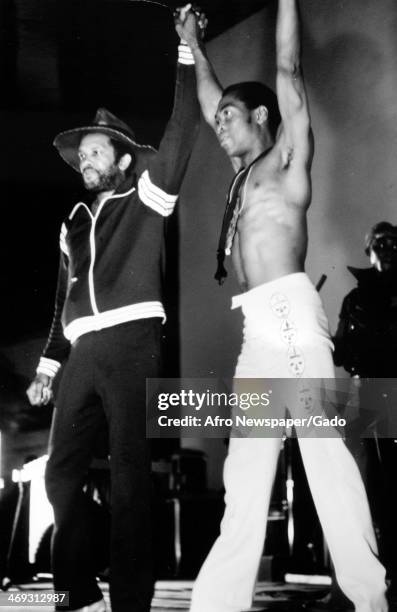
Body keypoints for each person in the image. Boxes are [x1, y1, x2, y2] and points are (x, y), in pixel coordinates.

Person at [174, 2, 388, 611]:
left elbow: (289, 69)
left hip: (292, 318)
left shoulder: (287, 158)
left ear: (262, 116)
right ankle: (217, 604)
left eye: (230, 119)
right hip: (258, 330)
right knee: (245, 472)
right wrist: (194, 41)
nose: (219, 127)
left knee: (323, 457)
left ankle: (370, 598)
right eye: (217, 121)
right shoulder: (242, 175)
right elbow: (214, 93)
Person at [26, 7, 201, 612]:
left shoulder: (147, 196)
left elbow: (182, 127)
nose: (86, 162)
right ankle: (74, 587)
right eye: (82, 158)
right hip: (81, 353)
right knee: (58, 472)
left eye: (96, 153)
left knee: (129, 475)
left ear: (123, 159)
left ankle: (131, 599)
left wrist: (186, 50)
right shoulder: (73, 222)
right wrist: (49, 367)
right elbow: (61, 300)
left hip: (131, 344)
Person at [334, 221, 397, 604]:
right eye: (380, 243)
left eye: (394, 243)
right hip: (365, 394)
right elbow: (341, 351)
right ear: (368, 250)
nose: (388, 249)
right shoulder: (355, 300)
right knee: (363, 486)